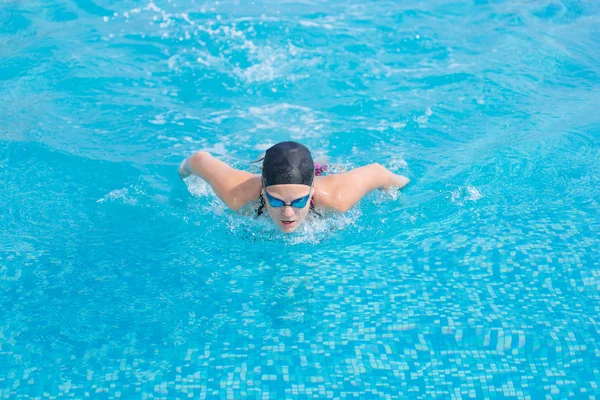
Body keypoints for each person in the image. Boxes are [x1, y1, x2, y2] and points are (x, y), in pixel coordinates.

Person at [178, 141, 409, 233]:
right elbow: (198, 160)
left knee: (326, 164)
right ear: (263, 190)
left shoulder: (338, 196)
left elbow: (379, 172)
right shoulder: (239, 194)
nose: (287, 213)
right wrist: (181, 173)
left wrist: (402, 187)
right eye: (276, 201)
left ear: (311, 193)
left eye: (298, 201)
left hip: (319, 172)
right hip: (265, 174)